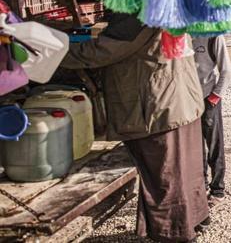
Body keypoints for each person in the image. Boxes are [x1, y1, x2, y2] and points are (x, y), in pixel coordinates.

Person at [60, 13, 209, 242]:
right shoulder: (167, 6)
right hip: (180, 101)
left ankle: (174, 233)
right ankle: (191, 222)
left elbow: (101, 51)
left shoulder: (138, 15)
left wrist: (48, 52)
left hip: (158, 109)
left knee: (164, 178)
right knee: (183, 172)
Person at [193, 35, 231, 205]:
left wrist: (215, 97)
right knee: (195, 146)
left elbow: (227, 70)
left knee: (214, 144)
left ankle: (218, 189)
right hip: (187, 101)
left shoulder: (214, 36)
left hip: (208, 98)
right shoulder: (181, 32)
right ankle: (201, 186)